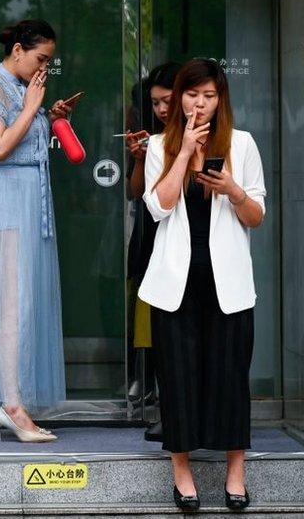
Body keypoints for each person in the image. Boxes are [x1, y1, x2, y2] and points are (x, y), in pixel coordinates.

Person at [138, 58, 265, 512]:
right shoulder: (159, 145)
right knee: (176, 378)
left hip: (227, 283)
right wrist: (183, 154)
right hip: (175, 284)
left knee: (231, 375)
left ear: (221, 99)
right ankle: (182, 471)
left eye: (209, 96)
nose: (200, 103)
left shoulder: (243, 145)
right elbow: (159, 206)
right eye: (192, 95)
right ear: (181, 98)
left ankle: (236, 471)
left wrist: (232, 188)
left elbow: (256, 217)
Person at [0, 20, 73, 443]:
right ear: (17, 50)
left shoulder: (25, 90)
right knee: (11, 303)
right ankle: (11, 406)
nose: (44, 67)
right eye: (41, 58)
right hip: (7, 202)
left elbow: (27, 142)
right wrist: (32, 107)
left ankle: (17, 399)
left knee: (26, 303)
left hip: (29, 202)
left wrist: (51, 115)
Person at [124, 62, 181, 443]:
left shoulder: (208, 136)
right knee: (155, 328)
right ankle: (161, 402)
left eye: (166, 101)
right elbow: (134, 192)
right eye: (155, 103)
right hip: (150, 236)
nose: (161, 110)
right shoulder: (154, 139)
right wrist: (142, 157)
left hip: (186, 242)